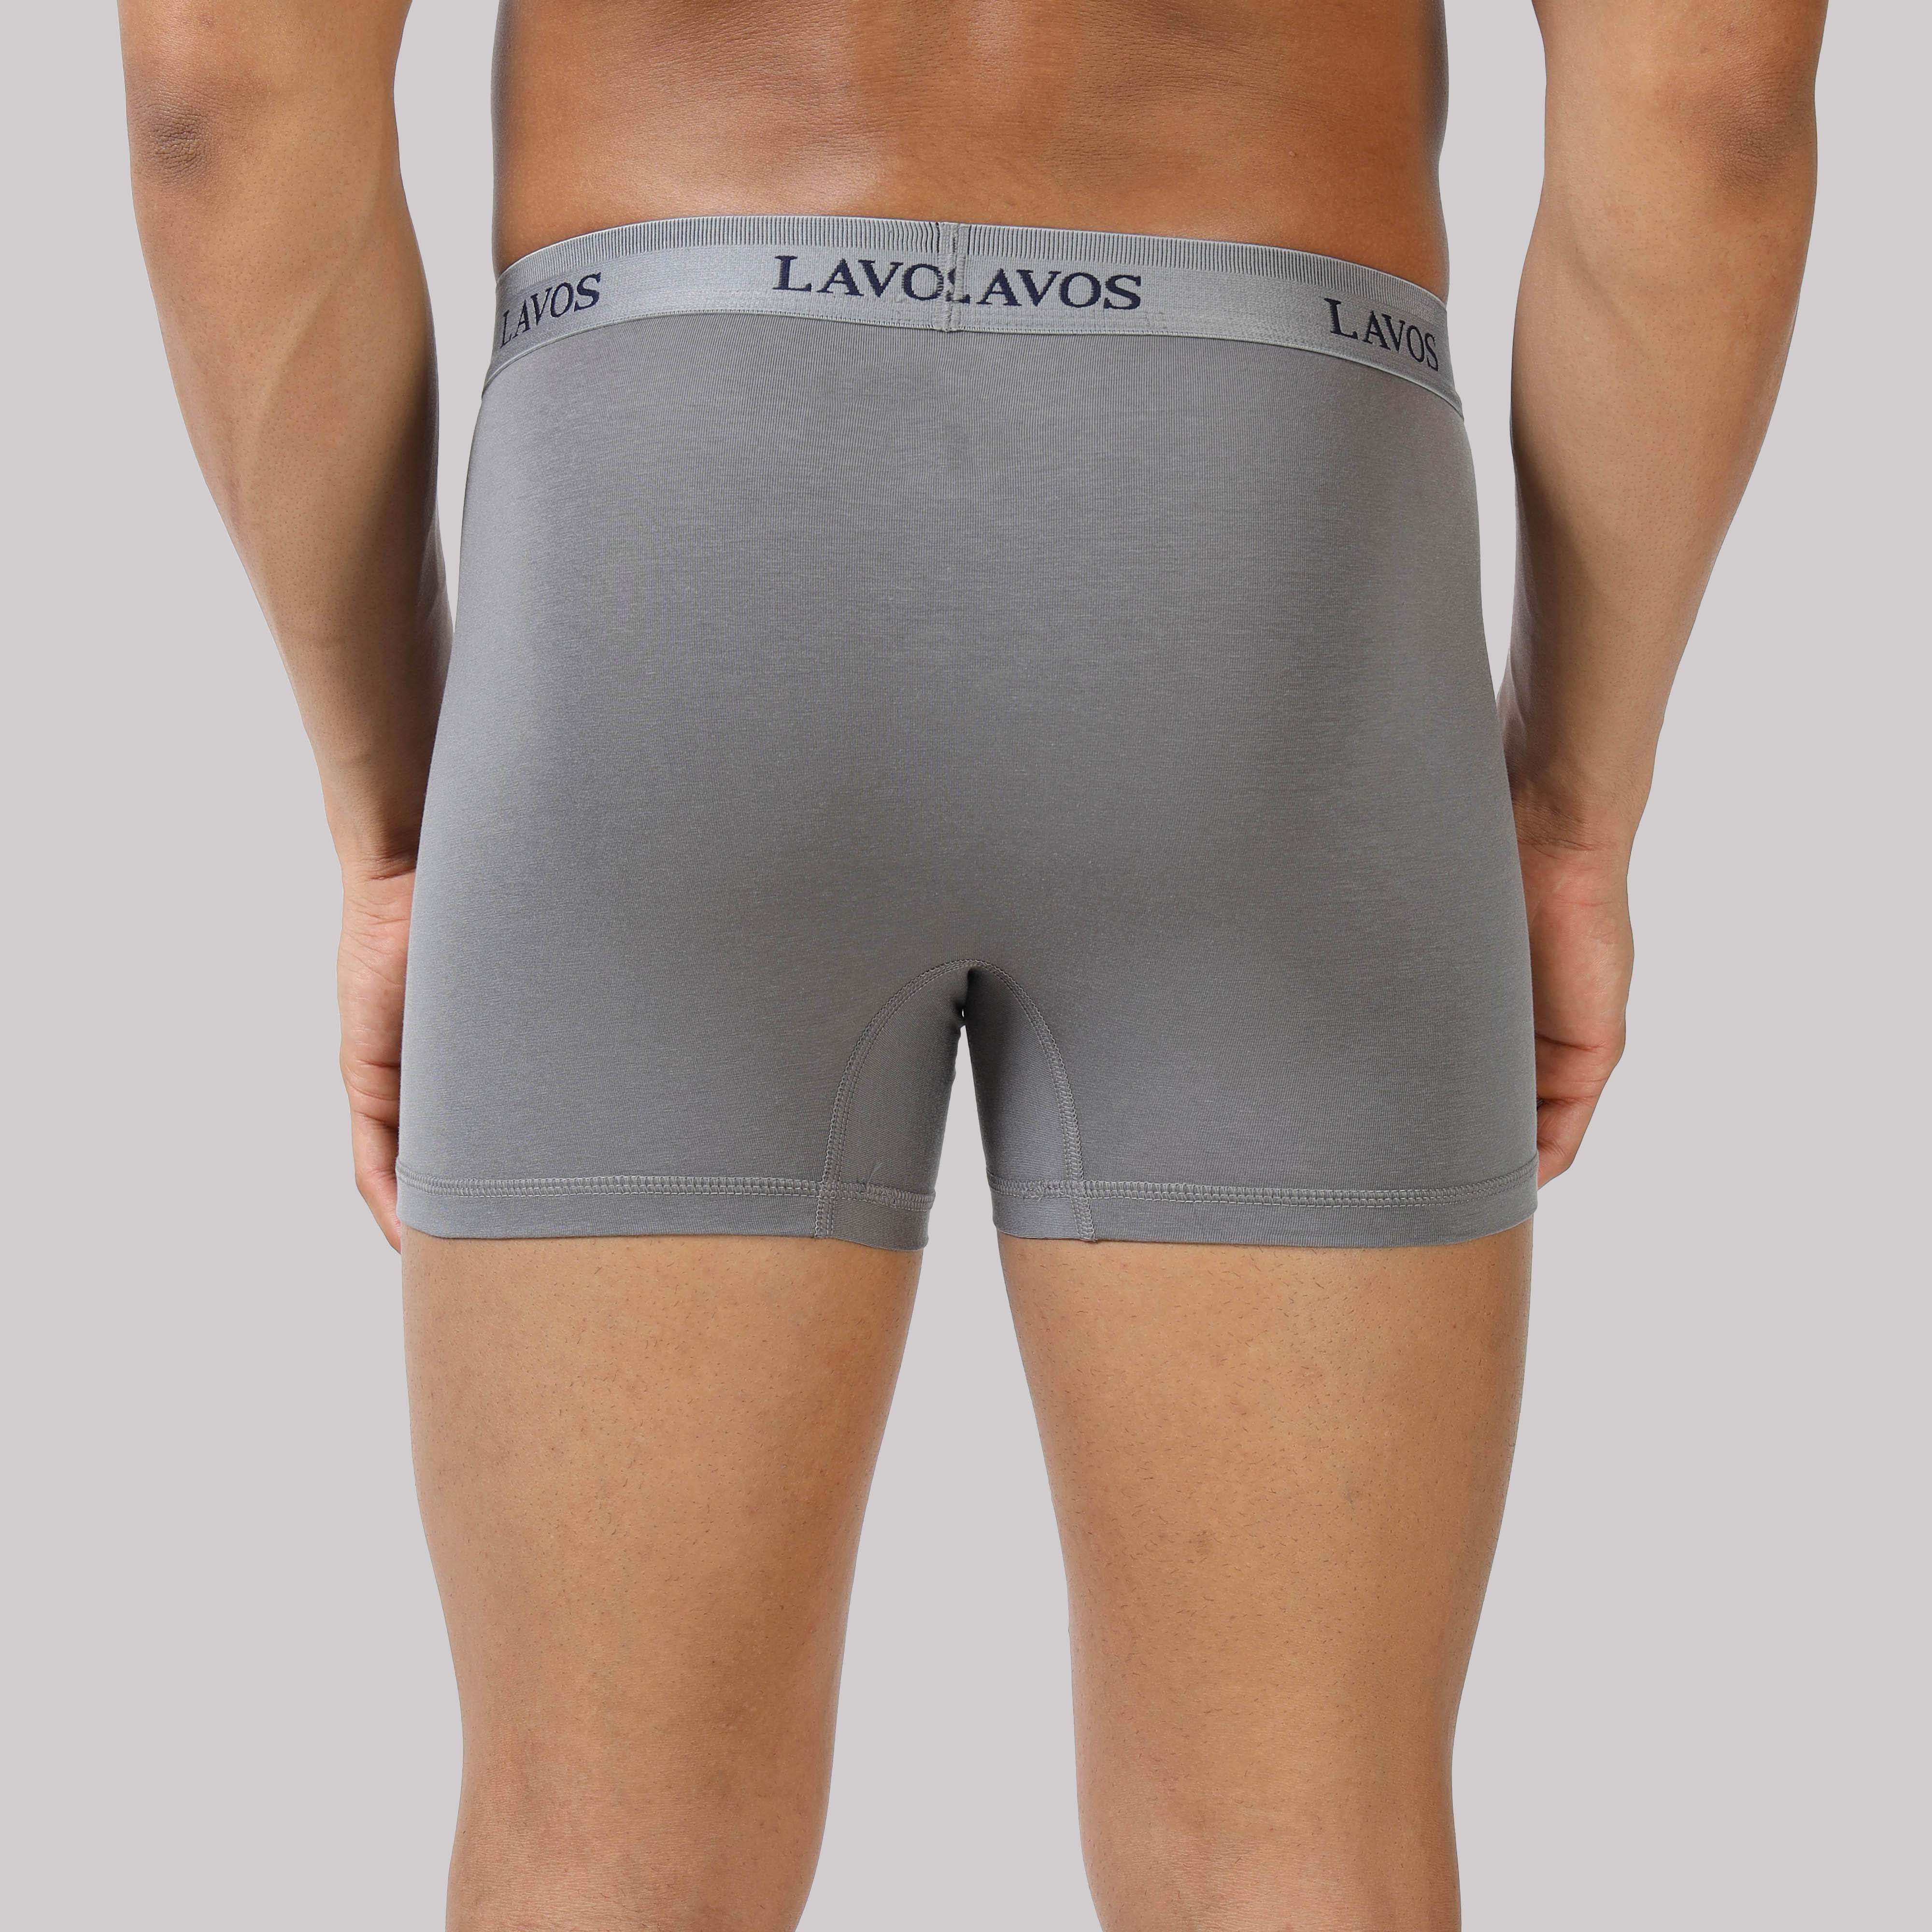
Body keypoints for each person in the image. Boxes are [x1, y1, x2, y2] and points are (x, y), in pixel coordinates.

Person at [117, 0, 1825, 1924]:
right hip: (1271, 527)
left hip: (665, 516)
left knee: (602, 1842)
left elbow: (216, 92)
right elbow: (1710, 98)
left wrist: (393, 815)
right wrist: (1572, 809)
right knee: (1294, 1842)